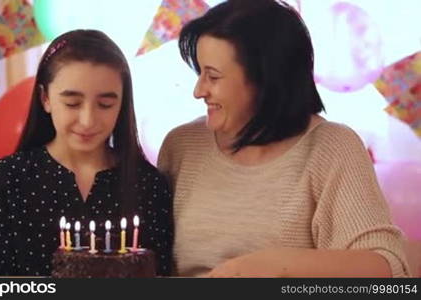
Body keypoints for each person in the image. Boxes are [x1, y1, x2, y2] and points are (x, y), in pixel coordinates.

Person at [157, 0, 410, 277]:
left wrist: (273, 266)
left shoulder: (332, 148)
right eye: (200, 73)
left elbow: (387, 269)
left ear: (264, 80)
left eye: (213, 76)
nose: (198, 90)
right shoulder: (181, 145)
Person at [0, 30, 173, 277]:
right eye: (72, 103)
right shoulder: (9, 178)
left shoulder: (149, 184)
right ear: (45, 98)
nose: (88, 120)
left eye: (105, 104)